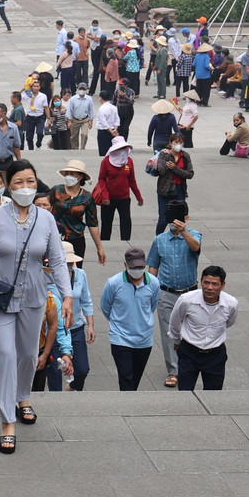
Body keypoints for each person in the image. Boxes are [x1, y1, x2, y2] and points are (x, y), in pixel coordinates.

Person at [0, 161, 72, 454]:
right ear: (8, 186)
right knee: (7, 354)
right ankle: (7, 421)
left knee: (27, 354)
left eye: (30, 181)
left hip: (34, 297)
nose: (25, 188)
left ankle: (23, 396)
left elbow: (58, 261)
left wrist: (67, 295)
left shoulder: (46, 220)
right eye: (18, 183)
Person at [145, 199, 202, 389]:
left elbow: (195, 247)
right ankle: (173, 370)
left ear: (186, 218)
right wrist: (149, 291)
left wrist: (183, 230)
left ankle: (189, 364)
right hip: (166, 293)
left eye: (178, 218)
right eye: (171, 218)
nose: (174, 222)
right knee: (169, 333)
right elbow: (153, 266)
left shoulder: (193, 235)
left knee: (191, 331)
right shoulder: (159, 240)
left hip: (190, 293)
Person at [99, 247, 160, 391]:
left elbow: (152, 306)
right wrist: (118, 321)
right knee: (125, 377)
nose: (137, 270)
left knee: (136, 377)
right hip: (120, 338)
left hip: (144, 339)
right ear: (126, 265)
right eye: (133, 267)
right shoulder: (114, 283)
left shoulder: (154, 282)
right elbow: (105, 306)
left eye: (140, 267)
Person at [48, 160, 105, 264]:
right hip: (55, 237)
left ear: (81, 176)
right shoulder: (56, 190)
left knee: (75, 271)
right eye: (67, 173)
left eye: (73, 173)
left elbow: (92, 223)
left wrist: (99, 248)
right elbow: (45, 208)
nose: (69, 176)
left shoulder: (87, 197)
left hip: (76, 239)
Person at [96, 137, 142, 242]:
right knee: (106, 223)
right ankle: (104, 243)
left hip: (124, 198)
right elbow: (101, 179)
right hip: (108, 199)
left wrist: (138, 196)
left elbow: (132, 180)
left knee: (126, 221)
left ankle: (126, 241)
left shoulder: (129, 161)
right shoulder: (106, 161)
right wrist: (105, 196)